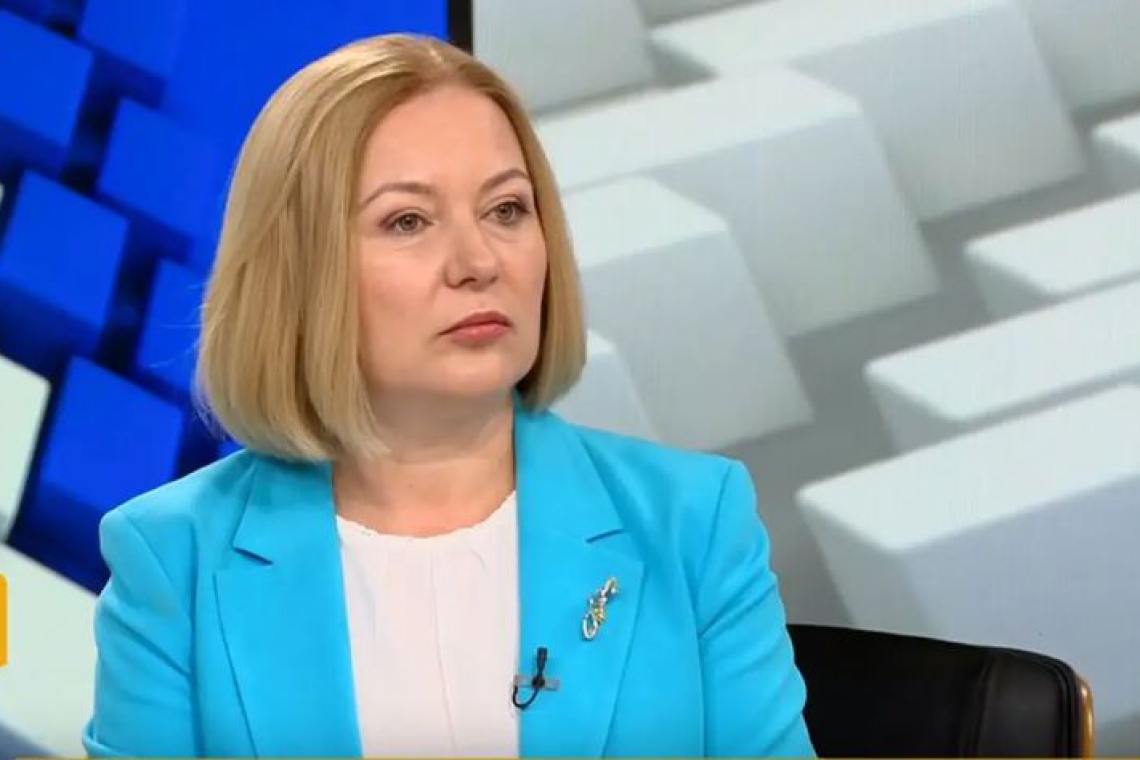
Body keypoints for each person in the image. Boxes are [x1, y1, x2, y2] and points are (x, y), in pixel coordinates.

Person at [83, 33, 815, 758]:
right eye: (408, 221)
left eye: (506, 210)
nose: (477, 262)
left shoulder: (691, 522)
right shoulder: (174, 560)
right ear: (300, 271)